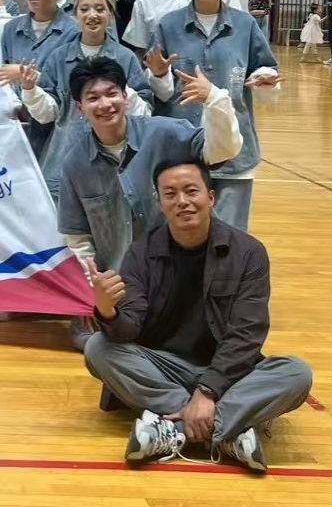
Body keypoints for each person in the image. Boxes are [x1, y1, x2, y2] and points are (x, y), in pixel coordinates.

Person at [83, 159, 313, 472]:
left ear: (210, 197)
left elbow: (247, 334)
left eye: (191, 191)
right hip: (164, 368)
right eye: (170, 194)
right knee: (98, 346)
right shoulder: (141, 253)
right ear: (159, 202)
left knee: (296, 373)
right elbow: (129, 330)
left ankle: (174, 431)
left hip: (229, 372)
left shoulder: (248, 252)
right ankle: (227, 431)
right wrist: (107, 310)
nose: (182, 201)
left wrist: (207, 392)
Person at [57, 56, 242, 275]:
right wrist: (94, 281)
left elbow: (222, 150)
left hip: (187, 273)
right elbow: (78, 236)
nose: (105, 104)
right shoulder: (75, 164)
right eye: (93, 98)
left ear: (125, 96)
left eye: (111, 93)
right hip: (124, 282)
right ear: (80, 108)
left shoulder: (166, 133)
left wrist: (214, 98)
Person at [145, 0, 280, 232]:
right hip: (181, 149)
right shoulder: (168, 26)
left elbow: (264, 68)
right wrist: (158, 74)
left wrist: (265, 78)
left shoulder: (245, 25)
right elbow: (163, 94)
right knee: (181, 234)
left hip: (235, 151)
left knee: (229, 236)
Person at [12, 0, 153, 198]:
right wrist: (31, 90)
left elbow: (144, 114)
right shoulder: (59, 57)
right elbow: (48, 115)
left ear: (110, 13)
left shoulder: (125, 58)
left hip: (116, 165)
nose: (92, 15)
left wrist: (120, 90)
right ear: (75, 14)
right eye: (84, 9)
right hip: (63, 161)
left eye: (100, 9)